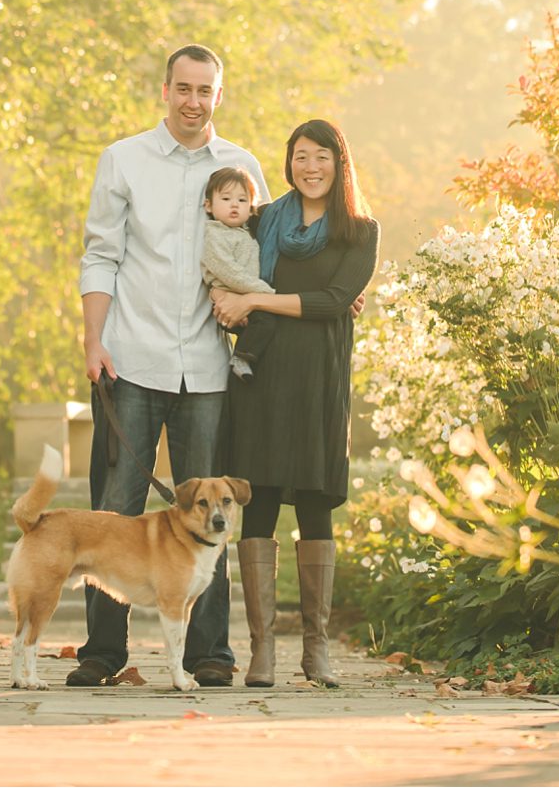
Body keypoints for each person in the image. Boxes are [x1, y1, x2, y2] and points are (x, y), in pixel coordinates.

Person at [73, 44, 268, 688]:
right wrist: (93, 340)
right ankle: (102, 654)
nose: (192, 101)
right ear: (165, 91)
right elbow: (101, 254)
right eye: (182, 88)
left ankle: (209, 654)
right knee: (114, 511)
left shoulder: (242, 167)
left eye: (204, 90)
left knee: (210, 515)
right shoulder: (122, 159)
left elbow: (263, 256)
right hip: (131, 359)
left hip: (209, 369)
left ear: (219, 95)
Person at [209, 118, 379, 689]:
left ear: (340, 162)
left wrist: (257, 301)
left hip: (319, 379)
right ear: (289, 163)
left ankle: (316, 650)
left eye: (322, 157)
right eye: (301, 157)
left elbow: (335, 300)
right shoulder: (263, 220)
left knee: (313, 505)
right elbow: (221, 255)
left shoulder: (360, 230)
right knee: (255, 502)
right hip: (260, 372)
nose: (311, 167)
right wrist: (224, 295)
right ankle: (261, 652)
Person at [197, 166, 275, 379]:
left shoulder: (246, 233)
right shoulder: (216, 235)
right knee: (266, 320)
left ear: (251, 209)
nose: (234, 205)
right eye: (226, 199)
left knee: (266, 326)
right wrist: (264, 293)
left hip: (246, 296)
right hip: (227, 299)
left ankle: (248, 360)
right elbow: (228, 272)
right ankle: (241, 358)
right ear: (209, 205)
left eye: (242, 200)